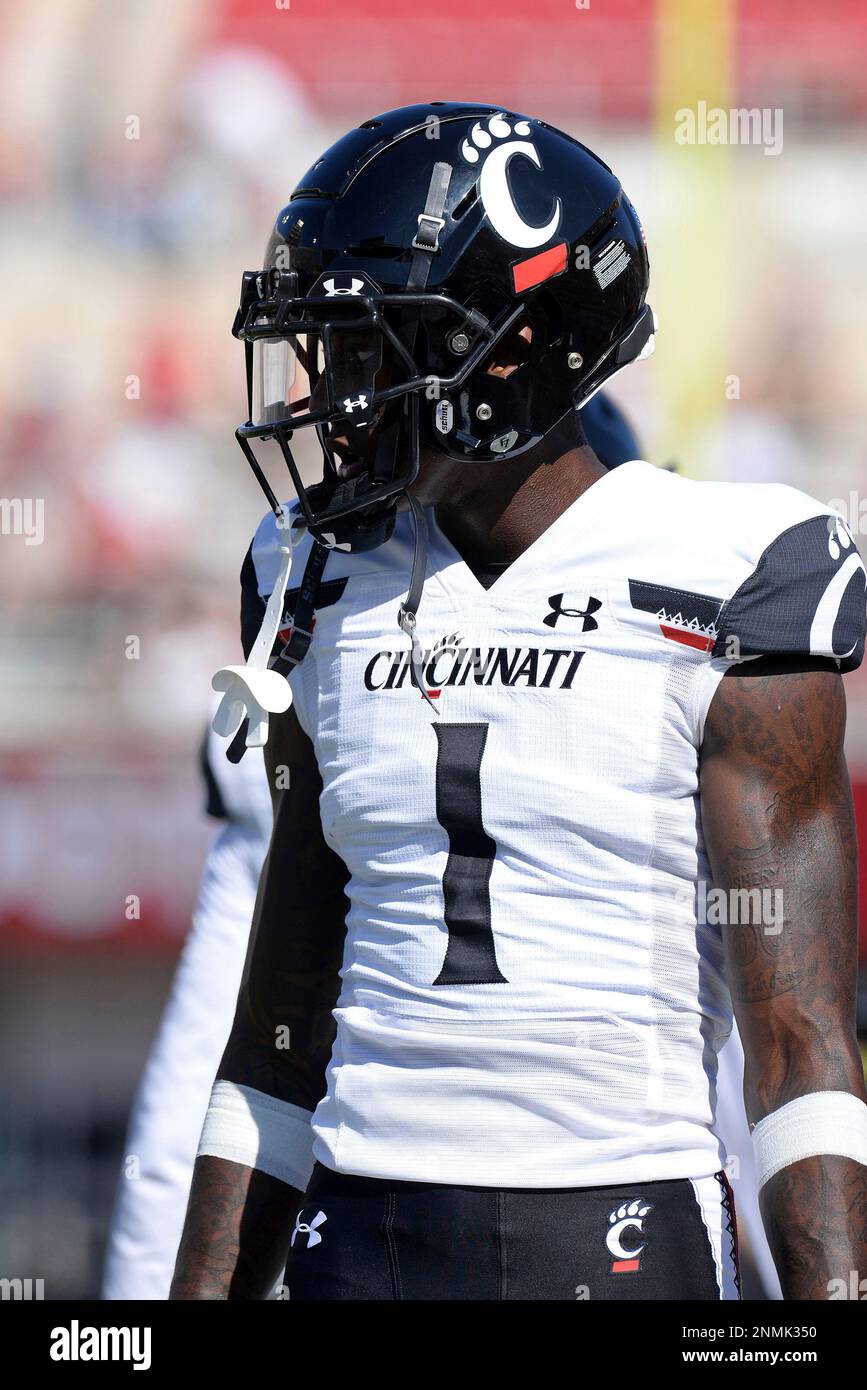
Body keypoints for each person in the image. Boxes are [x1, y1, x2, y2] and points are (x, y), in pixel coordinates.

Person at [170, 104, 867, 1301]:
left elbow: (800, 1043)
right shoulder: (316, 572)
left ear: (509, 356)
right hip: (360, 1234)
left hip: (620, 1224)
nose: (331, 397)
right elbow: (283, 1015)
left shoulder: (734, 566)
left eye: (369, 347)